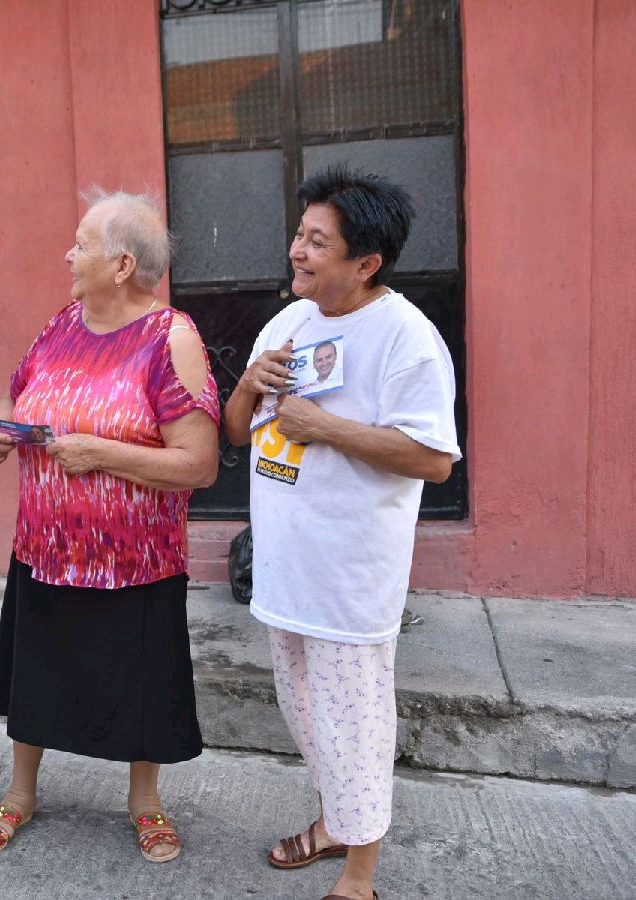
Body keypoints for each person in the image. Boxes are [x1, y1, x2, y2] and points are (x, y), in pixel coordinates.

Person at [223, 164, 460, 900]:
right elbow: (237, 432)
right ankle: (333, 826)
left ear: (366, 263)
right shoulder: (290, 320)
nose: (297, 250)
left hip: (349, 576)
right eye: (299, 234)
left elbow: (434, 459)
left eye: (316, 241)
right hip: (286, 569)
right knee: (307, 713)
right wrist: (248, 383)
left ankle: (360, 877)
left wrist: (325, 426)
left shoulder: (406, 338)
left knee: (355, 726)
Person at [0, 190, 219, 863]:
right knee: (37, 677)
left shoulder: (172, 338)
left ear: (121, 264)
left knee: (140, 685)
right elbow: (15, 395)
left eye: (81, 244)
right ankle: (20, 793)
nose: (69, 254)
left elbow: (198, 465)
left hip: (135, 559)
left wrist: (98, 452)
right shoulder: (62, 324)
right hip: (45, 548)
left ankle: (145, 803)